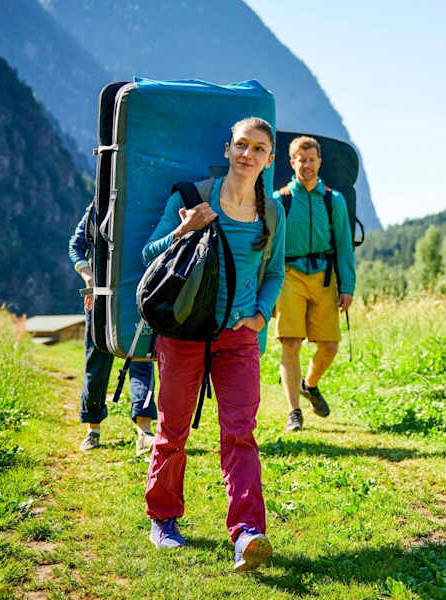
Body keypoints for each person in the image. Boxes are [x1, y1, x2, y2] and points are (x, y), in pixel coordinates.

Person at [141, 117, 285, 572]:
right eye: (241, 145)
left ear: (269, 159)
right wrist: (183, 230)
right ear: (227, 149)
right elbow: (148, 254)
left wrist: (260, 314)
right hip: (184, 331)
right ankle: (163, 518)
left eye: (258, 149)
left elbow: (275, 271)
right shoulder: (192, 197)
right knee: (173, 429)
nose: (247, 154)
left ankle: (247, 533)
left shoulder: (272, 212)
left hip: (238, 338)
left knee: (240, 432)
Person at [273, 136, 356, 432]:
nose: (306, 165)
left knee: (330, 346)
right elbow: (269, 246)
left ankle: (309, 385)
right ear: (292, 163)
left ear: (319, 162)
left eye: (311, 160)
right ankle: (294, 411)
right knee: (291, 343)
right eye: (301, 160)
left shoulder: (334, 200)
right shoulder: (280, 199)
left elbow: (344, 245)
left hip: (324, 277)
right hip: (289, 276)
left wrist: (347, 286)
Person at [69, 203, 158, 455]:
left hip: (137, 296)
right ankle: (93, 429)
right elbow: (76, 246)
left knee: (141, 359)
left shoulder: (143, 201)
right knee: (96, 360)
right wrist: (88, 275)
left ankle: (144, 432)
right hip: (100, 297)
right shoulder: (97, 208)